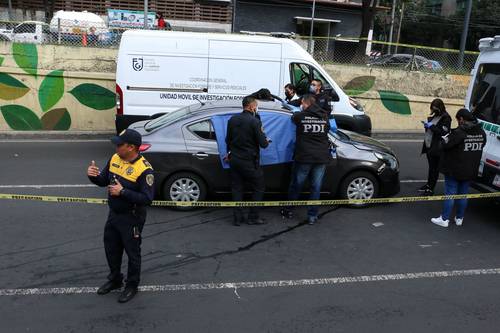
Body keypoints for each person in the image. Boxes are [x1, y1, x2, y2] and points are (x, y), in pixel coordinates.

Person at [87, 129, 155, 303]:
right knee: (111, 248)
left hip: (132, 217)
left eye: (119, 144)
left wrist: (123, 192)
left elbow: (147, 199)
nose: (116, 146)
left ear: (131, 147)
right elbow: (103, 180)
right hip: (114, 215)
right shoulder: (115, 158)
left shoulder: (145, 170)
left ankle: (132, 285)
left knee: (133, 252)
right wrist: (93, 176)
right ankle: (115, 279)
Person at [431, 109, 486, 228]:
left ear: (461, 119)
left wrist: (445, 138)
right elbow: (483, 145)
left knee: (450, 194)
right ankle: (459, 218)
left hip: (454, 169)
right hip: (470, 169)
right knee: (463, 194)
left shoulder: (460, 132)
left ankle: (444, 219)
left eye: (458, 120)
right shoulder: (481, 132)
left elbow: (445, 145)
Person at [281, 94, 331, 225]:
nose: (301, 105)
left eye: (302, 104)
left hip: (304, 157)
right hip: (321, 157)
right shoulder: (325, 116)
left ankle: (289, 209)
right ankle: (312, 216)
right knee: (316, 187)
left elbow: (292, 117)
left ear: (305, 103)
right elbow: (328, 130)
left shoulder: (300, 116)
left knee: (297, 184)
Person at [225, 96, 270, 226]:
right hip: (250, 161)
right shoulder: (255, 122)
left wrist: (229, 153)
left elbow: (228, 140)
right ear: (251, 107)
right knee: (259, 187)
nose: (257, 108)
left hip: (234, 160)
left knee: (237, 188)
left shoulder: (232, 120)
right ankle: (253, 217)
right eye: (256, 106)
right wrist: (266, 140)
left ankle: (237, 218)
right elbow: (263, 144)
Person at [419, 98, 452, 196]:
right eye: (432, 108)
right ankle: (428, 184)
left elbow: (444, 132)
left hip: (437, 147)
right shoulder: (435, 116)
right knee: (431, 168)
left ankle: (431, 188)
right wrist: (427, 125)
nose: (433, 110)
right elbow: (432, 129)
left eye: (435, 108)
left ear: (440, 107)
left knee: (434, 169)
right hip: (429, 145)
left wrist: (431, 126)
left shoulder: (446, 118)